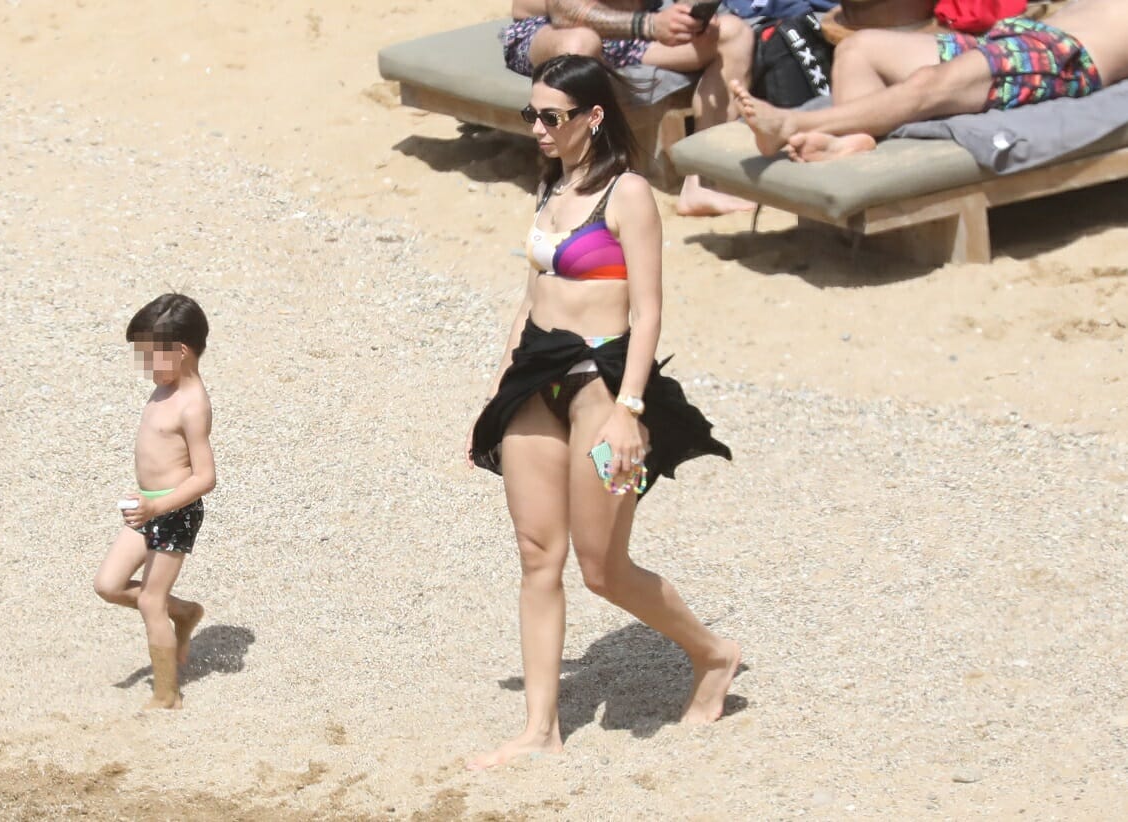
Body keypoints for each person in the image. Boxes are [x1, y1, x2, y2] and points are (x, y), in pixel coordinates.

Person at [466, 54, 738, 770]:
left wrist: (628, 411)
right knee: (536, 556)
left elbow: (647, 312)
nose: (538, 128)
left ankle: (713, 654)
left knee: (601, 567)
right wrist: (496, 393)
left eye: (551, 116)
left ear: (593, 117)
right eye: (531, 114)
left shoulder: (629, 194)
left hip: (602, 389)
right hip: (534, 382)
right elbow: (531, 296)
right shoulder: (549, 186)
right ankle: (539, 730)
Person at [732, 0, 1128, 162]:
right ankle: (855, 136)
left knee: (932, 84)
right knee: (860, 49)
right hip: (1019, 35)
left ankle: (794, 123)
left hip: (1065, 57)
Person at [504, 0, 758, 214]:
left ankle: (701, 183)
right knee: (580, 44)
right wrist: (649, 25)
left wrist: (691, 16)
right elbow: (564, 11)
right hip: (556, 29)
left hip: (632, 31)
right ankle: (575, 181)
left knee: (735, 33)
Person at [93, 293, 216, 710]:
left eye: (151, 357)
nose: (146, 367)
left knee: (149, 600)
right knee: (108, 585)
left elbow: (205, 477)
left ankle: (167, 695)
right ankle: (183, 613)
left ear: (181, 352)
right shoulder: (164, 388)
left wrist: (157, 507)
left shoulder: (192, 405)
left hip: (174, 512)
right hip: (147, 506)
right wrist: (147, 504)